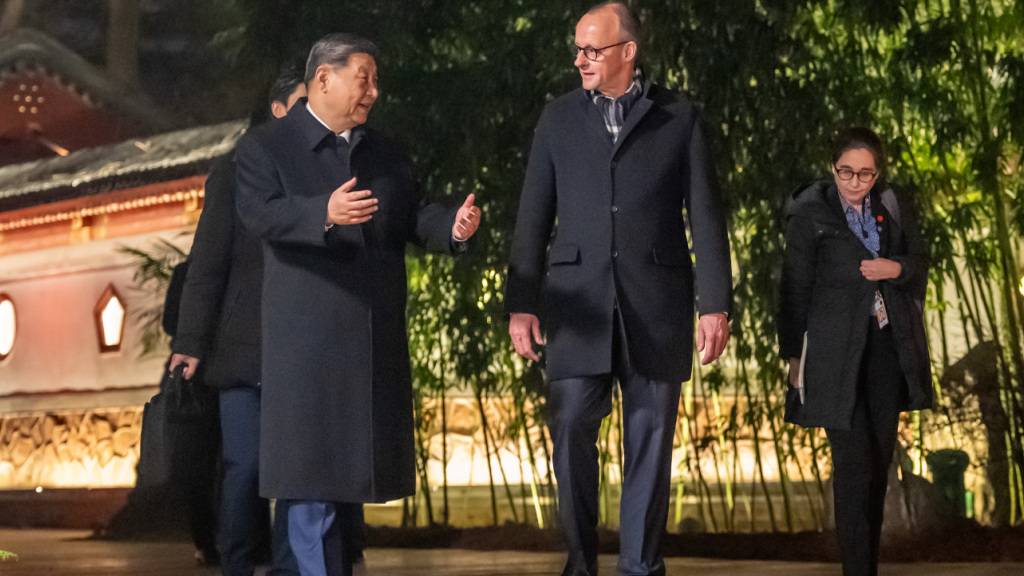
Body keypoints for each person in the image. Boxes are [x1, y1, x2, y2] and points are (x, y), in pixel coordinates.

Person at [234, 33, 481, 576]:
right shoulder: (266, 148)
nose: (373, 90)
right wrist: (323, 211)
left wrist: (454, 228)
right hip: (306, 346)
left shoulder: (385, 152)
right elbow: (259, 215)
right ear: (324, 78)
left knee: (345, 489)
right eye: (362, 77)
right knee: (309, 485)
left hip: (370, 341)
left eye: (375, 79)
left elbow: (413, 215)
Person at [505, 3, 732, 574]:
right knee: (572, 426)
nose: (581, 60)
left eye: (592, 50)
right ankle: (580, 561)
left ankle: (640, 565)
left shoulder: (677, 116)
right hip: (576, 307)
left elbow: (706, 215)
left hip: (656, 305)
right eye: (577, 50)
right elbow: (532, 217)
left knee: (650, 443)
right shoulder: (556, 119)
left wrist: (715, 305)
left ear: (627, 52)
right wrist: (520, 304)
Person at [169, 63, 309, 576]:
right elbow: (207, 262)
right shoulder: (234, 171)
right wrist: (190, 341)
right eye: (298, 105)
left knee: (298, 471)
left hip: (303, 348)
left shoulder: (329, 167)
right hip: (244, 346)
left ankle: (292, 566)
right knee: (245, 466)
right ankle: (238, 564)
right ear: (276, 110)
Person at [778, 127, 932, 576]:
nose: (854, 182)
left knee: (878, 465)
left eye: (865, 174)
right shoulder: (810, 213)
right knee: (851, 466)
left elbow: (919, 261)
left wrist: (895, 267)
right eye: (846, 172)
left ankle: (867, 565)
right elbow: (793, 288)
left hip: (885, 350)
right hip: (831, 356)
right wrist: (793, 359)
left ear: (878, 174)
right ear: (833, 169)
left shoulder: (891, 206)